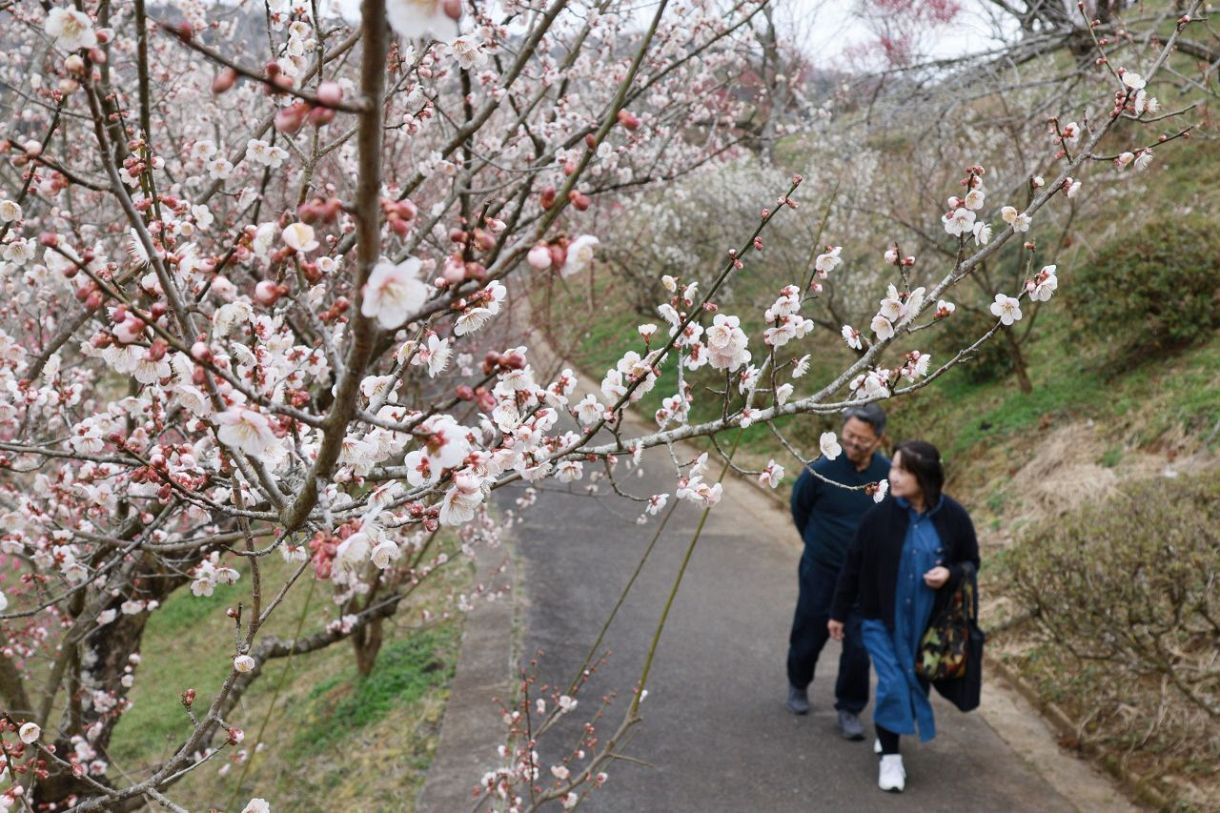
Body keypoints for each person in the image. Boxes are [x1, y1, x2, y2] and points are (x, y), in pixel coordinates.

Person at [827, 440, 980, 793]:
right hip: (880, 619)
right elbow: (853, 564)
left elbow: (971, 561)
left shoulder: (953, 517)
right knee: (894, 684)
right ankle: (891, 758)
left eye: (901, 470)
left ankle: (888, 733)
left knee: (914, 683)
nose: (892, 476)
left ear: (923, 477)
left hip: (928, 625)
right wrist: (837, 612)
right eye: (892, 467)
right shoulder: (879, 516)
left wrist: (950, 574)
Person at [786, 403, 889, 742]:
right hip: (822, 569)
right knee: (809, 630)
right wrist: (816, 544)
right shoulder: (822, 467)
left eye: (862, 438)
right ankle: (798, 684)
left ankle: (849, 708)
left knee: (859, 646)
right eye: (849, 435)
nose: (853, 443)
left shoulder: (887, 475)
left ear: (878, 440)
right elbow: (800, 506)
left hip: (864, 578)